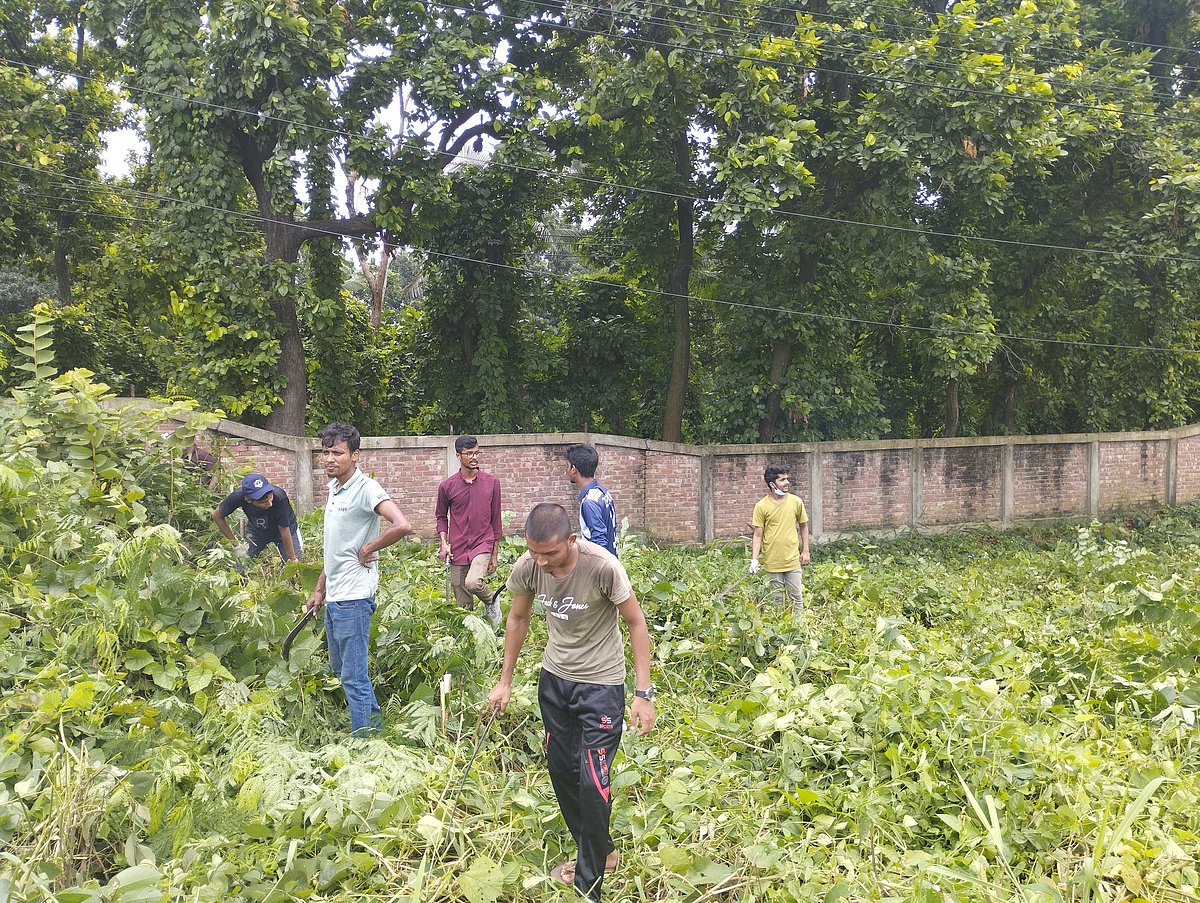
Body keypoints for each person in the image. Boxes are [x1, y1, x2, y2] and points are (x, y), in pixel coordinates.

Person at [487, 503, 655, 903]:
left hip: (601, 685)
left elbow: (636, 623)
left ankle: (588, 884)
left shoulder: (602, 567)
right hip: (555, 683)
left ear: (571, 540)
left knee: (593, 780)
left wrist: (642, 694)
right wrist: (504, 681)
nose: (542, 562)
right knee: (562, 771)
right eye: (534, 553)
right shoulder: (529, 567)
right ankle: (603, 850)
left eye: (550, 553)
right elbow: (518, 618)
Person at [305, 423, 412, 736]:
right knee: (341, 669)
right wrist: (320, 589)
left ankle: (365, 740)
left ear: (355, 455)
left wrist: (369, 547)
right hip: (336, 595)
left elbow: (402, 524)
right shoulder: (335, 489)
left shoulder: (366, 488)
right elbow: (335, 548)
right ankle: (374, 725)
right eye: (326, 452)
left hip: (354, 597)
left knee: (353, 676)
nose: (329, 458)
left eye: (337, 453)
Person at [435, 435, 503, 626]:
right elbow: (441, 517)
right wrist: (444, 543)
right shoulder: (447, 486)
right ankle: (471, 629)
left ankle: (492, 600)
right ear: (459, 456)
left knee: (472, 582)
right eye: (469, 453)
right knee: (459, 590)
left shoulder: (491, 483)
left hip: (483, 542)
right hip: (458, 546)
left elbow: (496, 520)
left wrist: (494, 554)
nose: (474, 457)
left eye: (477, 453)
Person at [749, 464, 811, 610]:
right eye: (782, 480)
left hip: (792, 560)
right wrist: (754, 560)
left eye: (787, 479)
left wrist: (805, 551)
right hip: (772, 562)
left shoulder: (796, 502)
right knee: (776, 601)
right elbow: (758, 535)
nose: (787, 482)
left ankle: (799, 623)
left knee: (796, 598)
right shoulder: (761, 506)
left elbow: (803, 526)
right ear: (772, 484)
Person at [213, 472, 302, 562]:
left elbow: (284, 529)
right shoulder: (238, 496)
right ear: (248, 500)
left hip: (286, 531)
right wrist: (236, 545)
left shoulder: (279, 496)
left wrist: (292, 559)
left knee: (295, 565)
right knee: (241, 564)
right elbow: (217, 515)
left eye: (270, 498)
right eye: (264, 502)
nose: (270, 504)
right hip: (257, 531)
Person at [565, 443, 618, 558]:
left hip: (600, 563)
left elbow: (599, 542)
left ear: (574, 469)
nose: (566, 470)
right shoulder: (602, 492)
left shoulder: (589, 502)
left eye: (568, 466)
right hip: (612, 558)